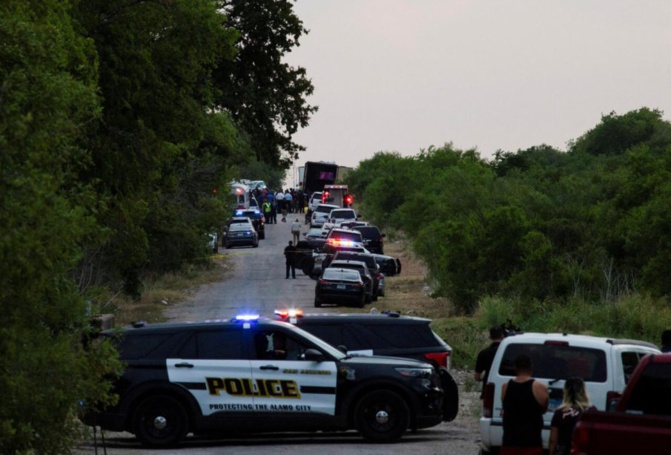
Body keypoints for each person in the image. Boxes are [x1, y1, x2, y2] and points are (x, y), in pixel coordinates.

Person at [500, 354, 549, 455]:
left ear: (515, 368)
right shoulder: (540, 388)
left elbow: (505, 406)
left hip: (510, 442)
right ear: (531, 368)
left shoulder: (506, 387)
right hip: (531, 443)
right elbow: (544, 409)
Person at [548, 376, 595, 455]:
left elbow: (553, 439)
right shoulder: (591, 411)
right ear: (583, 391)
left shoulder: (560, 412)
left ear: (566, 392)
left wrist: (551, 452)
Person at [475, 325, 506, 398]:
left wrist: (482, 378)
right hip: (506, 387)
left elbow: (477, 377)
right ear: (502, 336)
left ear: (490, 337)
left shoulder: (483, 353)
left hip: (488, 387)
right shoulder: (508, 352)